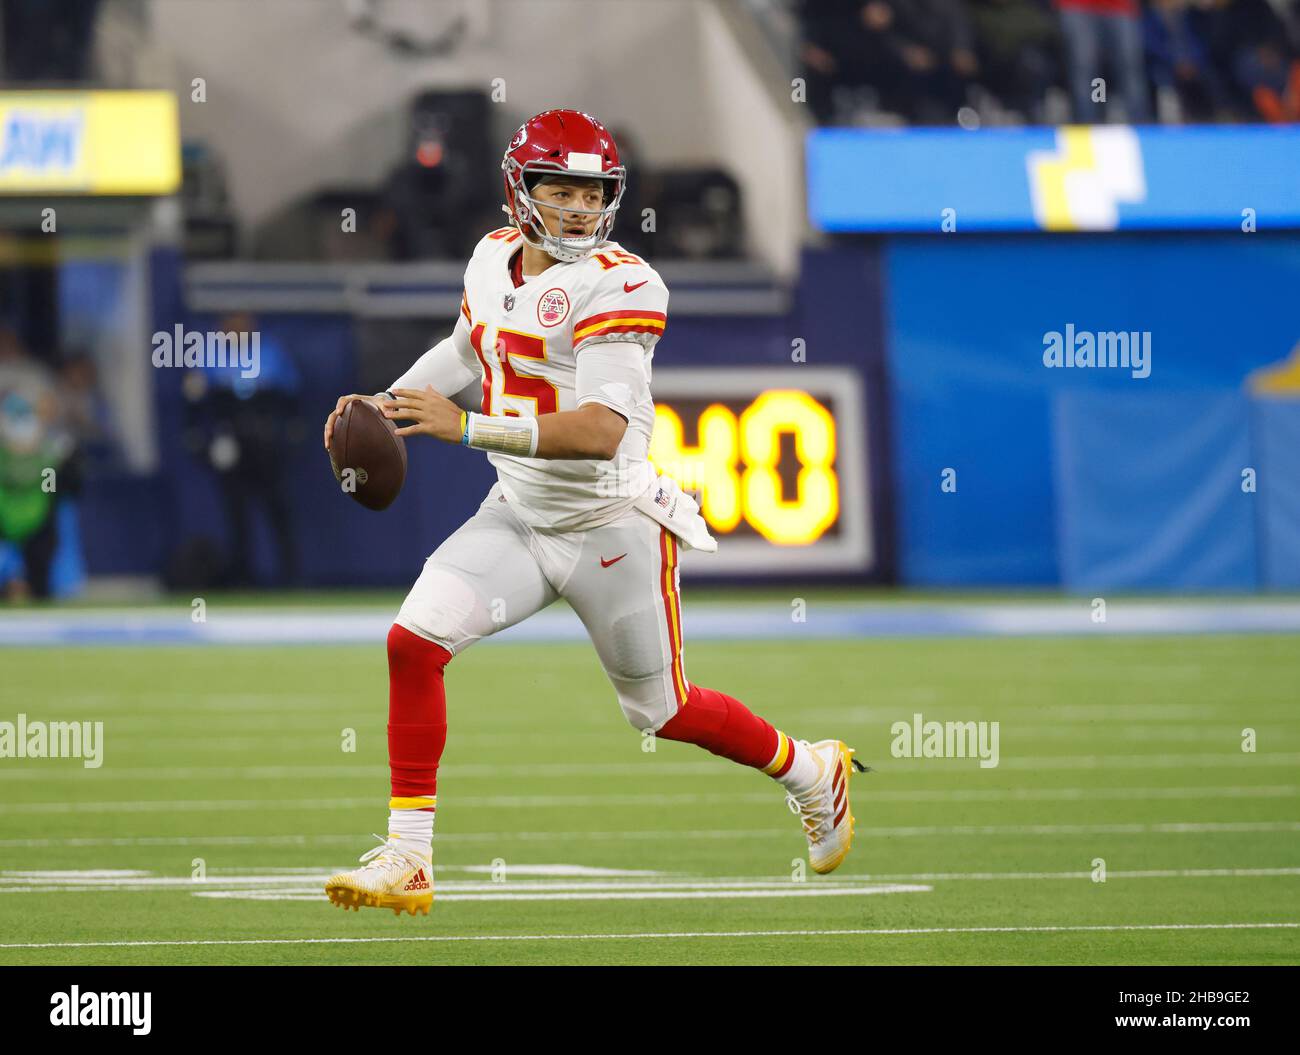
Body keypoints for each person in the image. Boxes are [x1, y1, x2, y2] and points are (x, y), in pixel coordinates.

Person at [321, 110, 866, 916]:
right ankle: (410, 856)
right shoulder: (490, 258)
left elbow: (602, 432)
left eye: (591, 192)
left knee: (663, 709)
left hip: (611, 528)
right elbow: (472, 347)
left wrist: (464, 426)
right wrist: (386, 399)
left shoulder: (624, 281)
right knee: (413, 642)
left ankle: (810, 770)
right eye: (561, 189)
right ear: (521, 190)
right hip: (516, 513)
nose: (578, 208)